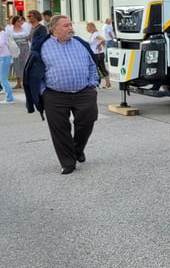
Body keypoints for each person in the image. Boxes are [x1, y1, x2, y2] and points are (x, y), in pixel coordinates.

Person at [23, 15, 100, 174]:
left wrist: (93, 85)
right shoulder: (42, 46)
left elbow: (92, 65)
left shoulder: (80, 43)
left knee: (87, 122)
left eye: (70, 24)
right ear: (54, 29)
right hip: (55, 95)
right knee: (59, 129)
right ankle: (68, 162)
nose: (70, 28)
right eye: (66, 25)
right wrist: (43, 91)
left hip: (84, 92)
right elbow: (35, 71)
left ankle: (77, 150)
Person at [6, 15, 30, 89]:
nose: (20, 22)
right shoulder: (10, 29)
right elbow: (8, 38)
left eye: (21, 21)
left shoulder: (25, 28)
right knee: (16, 64)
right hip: (15, 48)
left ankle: (24, 82)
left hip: (25, 47)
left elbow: (29, 36)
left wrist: (27, 38)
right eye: (18, 21)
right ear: (15, 22)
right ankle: (18, 82)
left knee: (25, 63)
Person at [85, 22, 111, 89]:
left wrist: (99, 45)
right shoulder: (93, 34)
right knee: (97, 69)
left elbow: (103, 39)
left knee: (101, 68)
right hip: (95, 54)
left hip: (98, 54)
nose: (86, 28)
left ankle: (107, 84)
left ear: (91, 27)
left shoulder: (96, 34)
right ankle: (102, 83)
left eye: (87, 27)